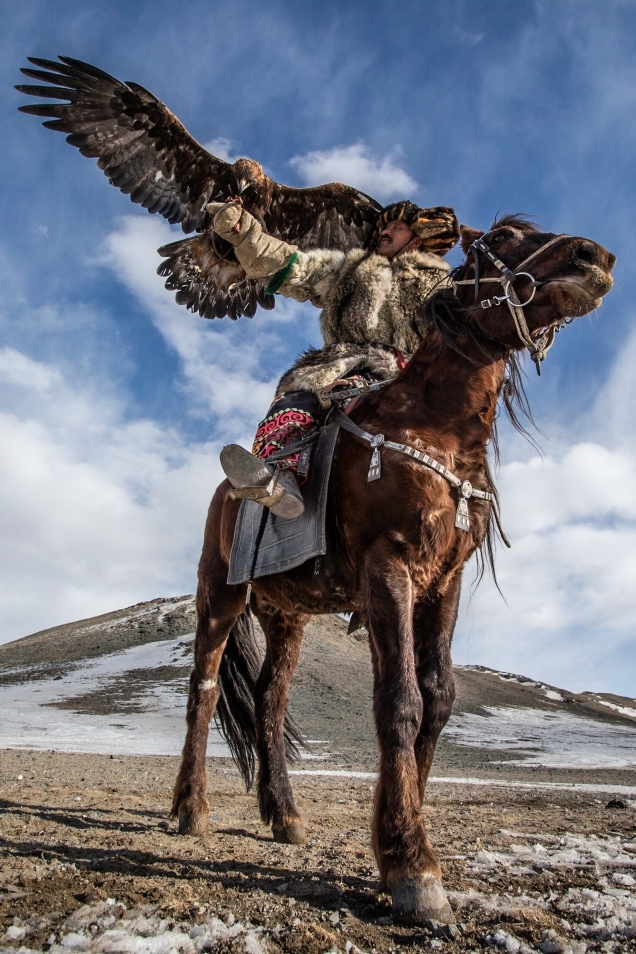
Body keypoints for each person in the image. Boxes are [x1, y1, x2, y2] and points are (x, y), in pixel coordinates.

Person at [208, 199, 459, 518]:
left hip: (410, 376)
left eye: (396, 227)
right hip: (342, 366)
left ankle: (464, 499)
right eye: (384, 226)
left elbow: (482, 319)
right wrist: (244, 234)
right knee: (298, 401)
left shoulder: (443, 286)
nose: (385, 231)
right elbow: (294, 265)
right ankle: (281, 476)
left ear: (417, 239)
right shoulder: (351, 268)